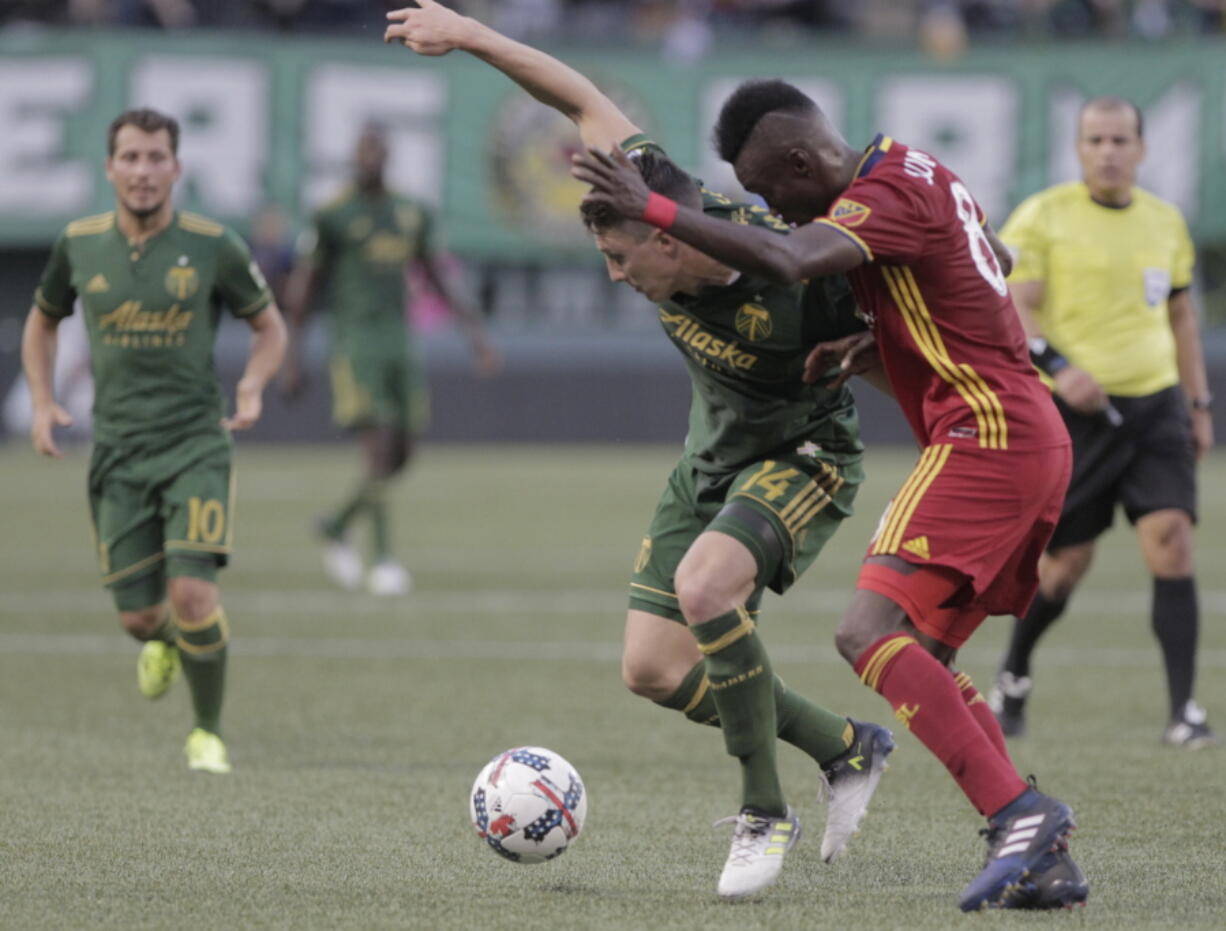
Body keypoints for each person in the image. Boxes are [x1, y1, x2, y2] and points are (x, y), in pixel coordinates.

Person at [386, 2, 894, 900]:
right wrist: (467, 34)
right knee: (652, 669)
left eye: (624, 260)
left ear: (669, 236)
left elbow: (911, 325)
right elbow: (580, 95)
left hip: (806, 454)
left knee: (705, 590)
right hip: (709, 458)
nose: (618, 278)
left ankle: (763, 811)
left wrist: (877, 356)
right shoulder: (648, 183)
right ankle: (845, 746)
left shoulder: (797, 270)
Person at [573, 79, 1088, 911]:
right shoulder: (921, 173)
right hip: (1025, 434)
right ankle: (1041, 852)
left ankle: (1022, 813)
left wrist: (658, 210)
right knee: (930, 658)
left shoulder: (881, 192)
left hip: (985, 433)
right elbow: (995, 258)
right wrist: (875, 333)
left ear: (803, 160)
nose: (771, 208)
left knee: (866, 633)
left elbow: (786, 257)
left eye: (773, 189)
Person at [21, 107, 287, 774]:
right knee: (141, 618)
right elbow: (42, 322)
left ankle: (208, 732)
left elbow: (270, 327)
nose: (143, 171)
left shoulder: (213, 244)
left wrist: (252, 386)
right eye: (131, 158)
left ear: (177, 167)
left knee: (194, 594)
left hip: (195, 442)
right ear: (110, 167)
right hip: (116, 451)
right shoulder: (79, 244)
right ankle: (165, 639)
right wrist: (44, 400)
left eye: (155, 158)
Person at [987, 97, 1215, 748]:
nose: (1108, 150)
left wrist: (1198, 405)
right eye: (1095, 139)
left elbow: (1180, 318)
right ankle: (1015, 672)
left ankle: (1184, 710)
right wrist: (1061, 367)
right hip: (1075, 414)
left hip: (1155, 405)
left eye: (1120, 139)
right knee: (1064, 566)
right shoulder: (1044, 215)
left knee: (1171, 538)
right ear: (1079, 149)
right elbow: (1016, 307)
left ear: (1143, 149)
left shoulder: (1165, 222)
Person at [283, 122, 499, 596]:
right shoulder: (332, 215)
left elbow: (436, 273)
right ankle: (382, 560)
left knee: (402, 452)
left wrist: (475, 335)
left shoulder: (410, 213)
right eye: (362, 151)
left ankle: (339, 524)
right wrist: (291, 354)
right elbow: (304, 286)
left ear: (387, 157)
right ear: (353, 157)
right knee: (378, 444)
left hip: (399, 340)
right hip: (355, 342)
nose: (369, 160)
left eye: (377, 152)